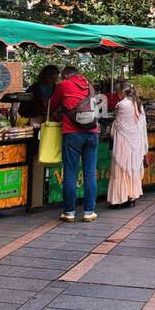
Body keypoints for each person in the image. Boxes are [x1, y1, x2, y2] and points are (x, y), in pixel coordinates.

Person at [50, 64, 100, 222]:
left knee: (70, 173)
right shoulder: (89, 86)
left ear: (65, 76)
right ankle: (89, 212)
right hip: (92, 133)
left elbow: (53, 105)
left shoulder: (63, 85)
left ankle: (69, 213)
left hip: (72, 133)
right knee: (90, 173)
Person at [107, 82, 147, 208]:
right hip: (136, 142)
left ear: (122, 92)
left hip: (123, 142)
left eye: (118, 92)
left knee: (120, 169)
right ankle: (131, 196)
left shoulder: (121, 105)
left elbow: (117, 126)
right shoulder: (138, 104)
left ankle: (119, 198)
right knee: (132, 169)